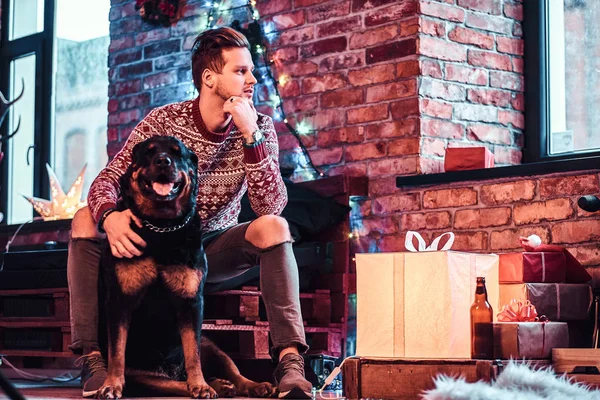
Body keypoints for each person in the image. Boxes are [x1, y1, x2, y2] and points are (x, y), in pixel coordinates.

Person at [67, 27, 312, 399]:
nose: (253, 79)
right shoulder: (165, 121)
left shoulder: (259, 127)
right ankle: (91, 358)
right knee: (85, 216)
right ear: (209, 79)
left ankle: (290, 364)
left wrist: (250, 137)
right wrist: (110, 217)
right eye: (240, 71)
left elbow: (270, 207)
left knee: (275, 227)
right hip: (146, 242)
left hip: (210, 248)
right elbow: (106, 180)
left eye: (251, 71)